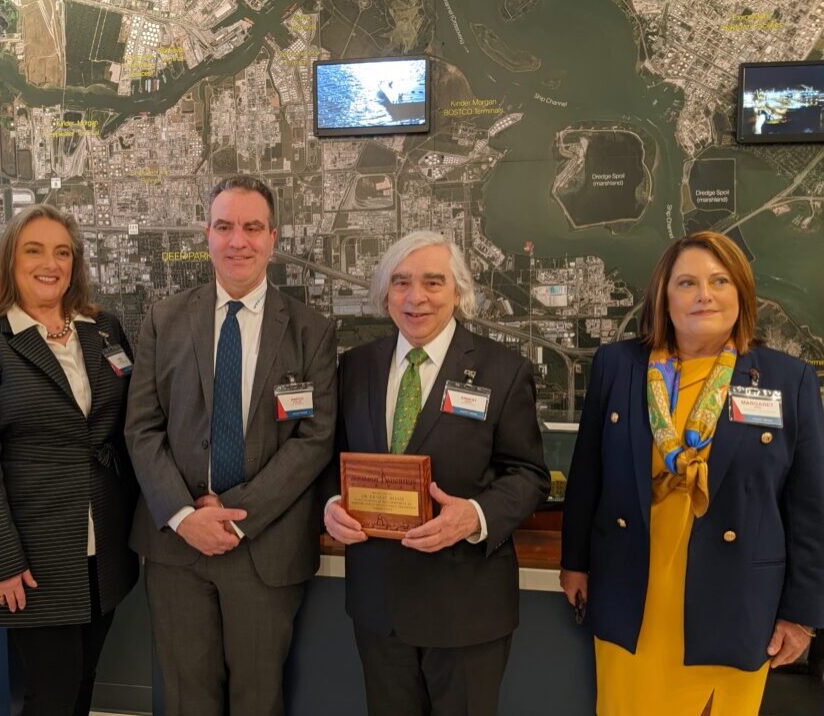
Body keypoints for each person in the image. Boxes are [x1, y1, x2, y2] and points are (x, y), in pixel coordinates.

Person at [561, 231, 824, 715]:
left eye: (719, 280)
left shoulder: (790, 380)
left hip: (735, 600)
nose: (704, 294)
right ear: (664, 297)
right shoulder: (617, 367)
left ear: (741, 294)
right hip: (633, 593)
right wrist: (574, 561)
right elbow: (587, 477)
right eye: (687, 282)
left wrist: (802, 615)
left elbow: (810, 506)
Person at [125, 175, 337, 716]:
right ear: (207, 235)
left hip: (264, 548)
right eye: (225, 227)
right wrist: (181, 515)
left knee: (257, 700)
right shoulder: (164, 319)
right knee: (186, 698)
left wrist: (239, 514)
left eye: (251, 227)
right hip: (177, 547)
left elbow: (313, 439)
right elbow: (141, 428)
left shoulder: (311, 330)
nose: (237, 241)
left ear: (273, 237)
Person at [323, 230, 550, 716]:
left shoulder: (502, 370)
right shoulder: (356, 368)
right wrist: (330, 507)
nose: (416, 297)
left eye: (433, 282)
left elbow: (529, 474)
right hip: (379, 609)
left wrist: (473, 515)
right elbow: (330, 459)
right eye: (401, 282)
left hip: (466, 610)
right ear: (385, 295)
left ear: (458, 293)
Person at [0, 204, 138, 716]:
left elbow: (131, 427)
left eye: (62, 252)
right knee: (50, 695)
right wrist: (2, 560)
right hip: (32, 555)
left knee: (83, 684)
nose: (49, 263)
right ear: (11, 260)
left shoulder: (105, 329)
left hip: (105, 546)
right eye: (34, 250)